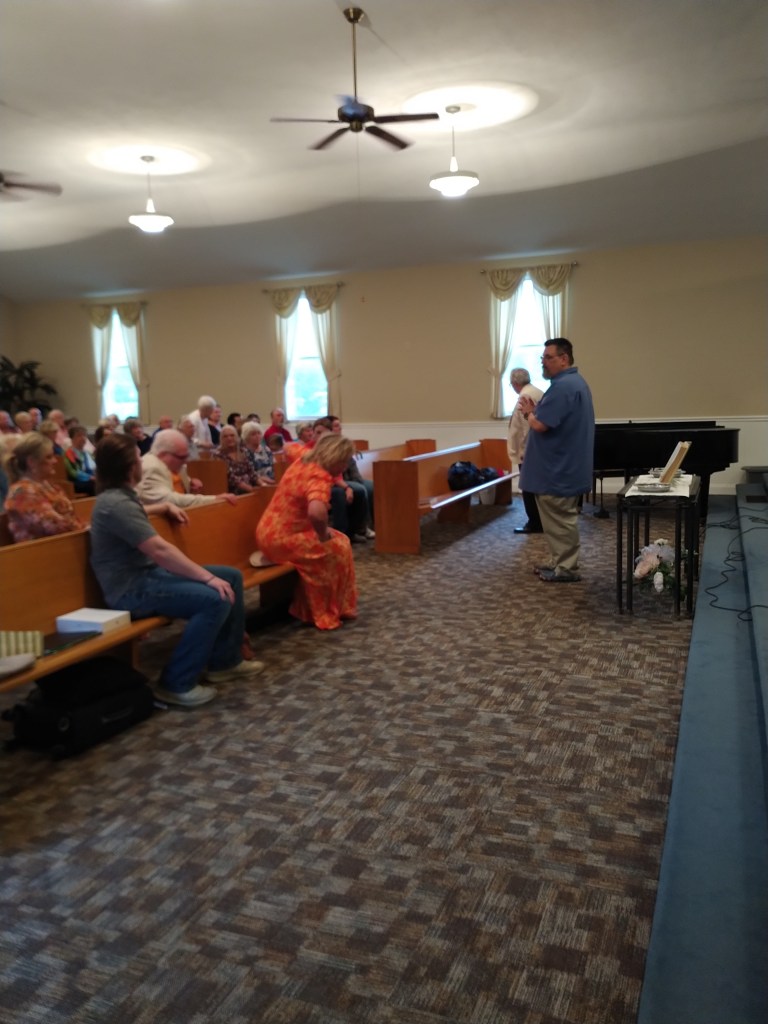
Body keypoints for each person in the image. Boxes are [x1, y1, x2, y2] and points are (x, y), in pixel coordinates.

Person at [89, 433, 264, 708]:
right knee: (215, 598)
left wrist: (162, 506)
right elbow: (160, 550)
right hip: (131, 589)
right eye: (138, 459)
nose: (143, 463)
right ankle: (175, 683)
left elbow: (138, 516)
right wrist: (207, 578)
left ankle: (225, 662)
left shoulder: (121, 497)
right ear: (129, 467)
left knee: (231, 576)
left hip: (147, 577)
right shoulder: (116, 504)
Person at [256, 433, 358, 630]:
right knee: (336, 549)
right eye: (344, 461)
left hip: (268, 531)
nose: (345, 467)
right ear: (335, 458)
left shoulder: (305, 457)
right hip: (283, 540)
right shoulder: (318, 476)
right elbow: (316, 513)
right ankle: (319, 610)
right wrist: (323, 535)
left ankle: (334, 604)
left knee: (342, 541)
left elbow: (289, 447)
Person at [517, 338, 595, 583]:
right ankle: (558, 561)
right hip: (561, 466)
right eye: (542, 358)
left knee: (561, 521)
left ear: (564, 358)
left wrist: (529, 413)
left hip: (558, 470)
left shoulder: (564, 387)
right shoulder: (572, 383)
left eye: (548, 357)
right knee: (555, 521)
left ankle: (566, 568)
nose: (544, 362)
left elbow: (541, 425)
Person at [3, 431, 85, 541]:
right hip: (41, 549)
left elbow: (69, 516)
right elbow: (54, 525)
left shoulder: (48, 486)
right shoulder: (22, 492)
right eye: (49, 457)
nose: (55, 461)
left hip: (64, 542)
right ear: (31, 462)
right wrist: (85, 528)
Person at [137, 429, 237, 508]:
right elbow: (170, 500)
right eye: (182, 457)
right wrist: (214, 499)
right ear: (163, 454)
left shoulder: (162, 461)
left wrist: (189, 481)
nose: (185, 462)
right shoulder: (152, 468)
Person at [507, 367, 544, 534]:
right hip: (539, 449)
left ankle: (534, 523)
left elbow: (525, 428)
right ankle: (540, 520)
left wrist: (523, 451)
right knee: (536, 486)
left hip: (529, 451)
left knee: (528, 487)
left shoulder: (525, 397)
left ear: (515, 383)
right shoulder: (538, 392)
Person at [330, 416, 375, 540]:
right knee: (360, 489)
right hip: (340, 480)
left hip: (350, 478)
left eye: (340, 425)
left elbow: (351, 464)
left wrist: (357, 479)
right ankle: (362, 527)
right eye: (336, 426)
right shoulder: (329, 446)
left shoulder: (343, 443)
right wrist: (350, 484)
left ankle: (374, 524)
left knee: (371, 486)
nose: (340, 428)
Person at [214, 424, 265, 493]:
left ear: (237, 437)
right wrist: (251, 489)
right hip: (233, 491)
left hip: (250, 487)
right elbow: (231, 478)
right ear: (221, 439)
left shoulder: (243, 451)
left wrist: (263, 485)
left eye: (232, 435)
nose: (229, 438)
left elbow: (251, 472)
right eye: (225, 436)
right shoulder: (218, 455)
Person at [63, 424, 97, 495]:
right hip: (77, 482)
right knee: (95, 485)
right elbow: (73, 472)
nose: (83, 438)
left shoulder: (88, 453)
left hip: (92, 479)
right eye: (79, 436)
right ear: (72, 438)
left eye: (84, 435)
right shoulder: (69, 453)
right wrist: (90, 477)